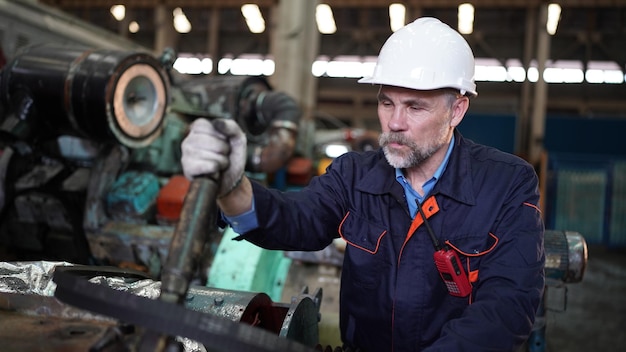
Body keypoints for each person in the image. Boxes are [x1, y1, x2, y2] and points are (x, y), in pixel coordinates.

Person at [181, 17, 545, 352]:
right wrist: (231, 188)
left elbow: (507, 308)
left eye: (415, 107)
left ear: (457, 111)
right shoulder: (354, 175)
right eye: (387, 103)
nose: (395, 123)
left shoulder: (507, 184)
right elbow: (296, 219)